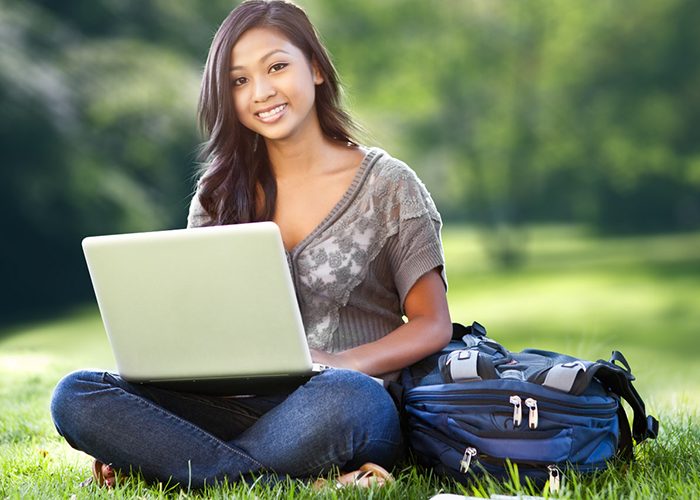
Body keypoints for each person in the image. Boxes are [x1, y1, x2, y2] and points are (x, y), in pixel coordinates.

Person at [50, 0, 451, 490]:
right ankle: (295, 484)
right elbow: (202, 327)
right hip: (232, 407)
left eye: (277, 67)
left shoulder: (389, 185)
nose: (261, 92)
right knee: (77, 393)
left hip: (340, 407)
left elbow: (433, 324)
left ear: (318, 70)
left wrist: (345, 361)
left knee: (351, 397)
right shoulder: (216, 196)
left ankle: (177, 466)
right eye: (239, 80)